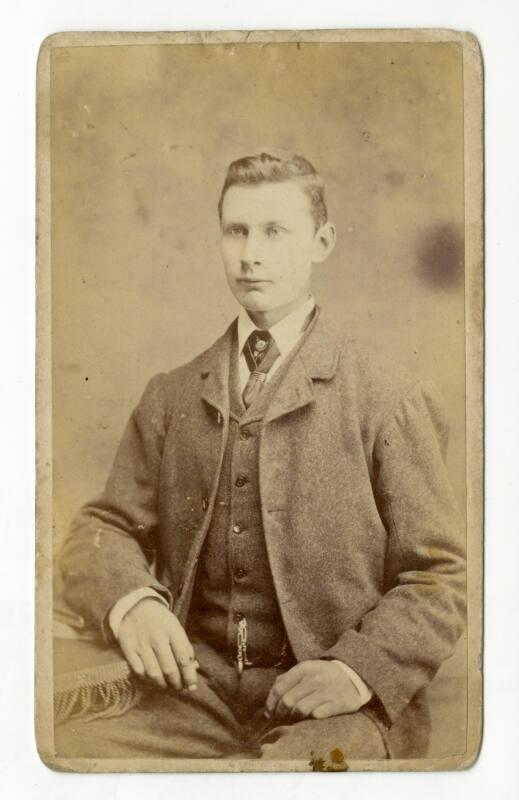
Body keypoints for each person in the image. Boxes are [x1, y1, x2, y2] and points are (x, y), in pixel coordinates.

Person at [56, 150, 466, 763]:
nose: (251, 253)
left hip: (335, 698)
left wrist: (356, 670)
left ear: (321, 242)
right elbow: (102, 527)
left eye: (275, 231)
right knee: (66, 744)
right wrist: (132, 602)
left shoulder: (387, 396)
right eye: (236, 230)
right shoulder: (172, 395)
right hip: (196, 691)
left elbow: (439, 579)